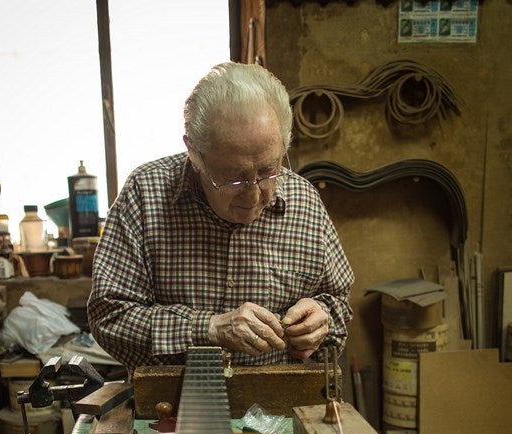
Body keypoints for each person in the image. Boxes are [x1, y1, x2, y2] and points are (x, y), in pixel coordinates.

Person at [88, 61, 354, 373]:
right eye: (233, 177)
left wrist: (321, 318)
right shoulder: (145, 194)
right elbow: (109, 317)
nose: (253, 196)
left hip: (279, 396)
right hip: (172, 398)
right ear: (194, 152)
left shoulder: (304, 202)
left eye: (268, 170)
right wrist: (208, 328)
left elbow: (339, 305)